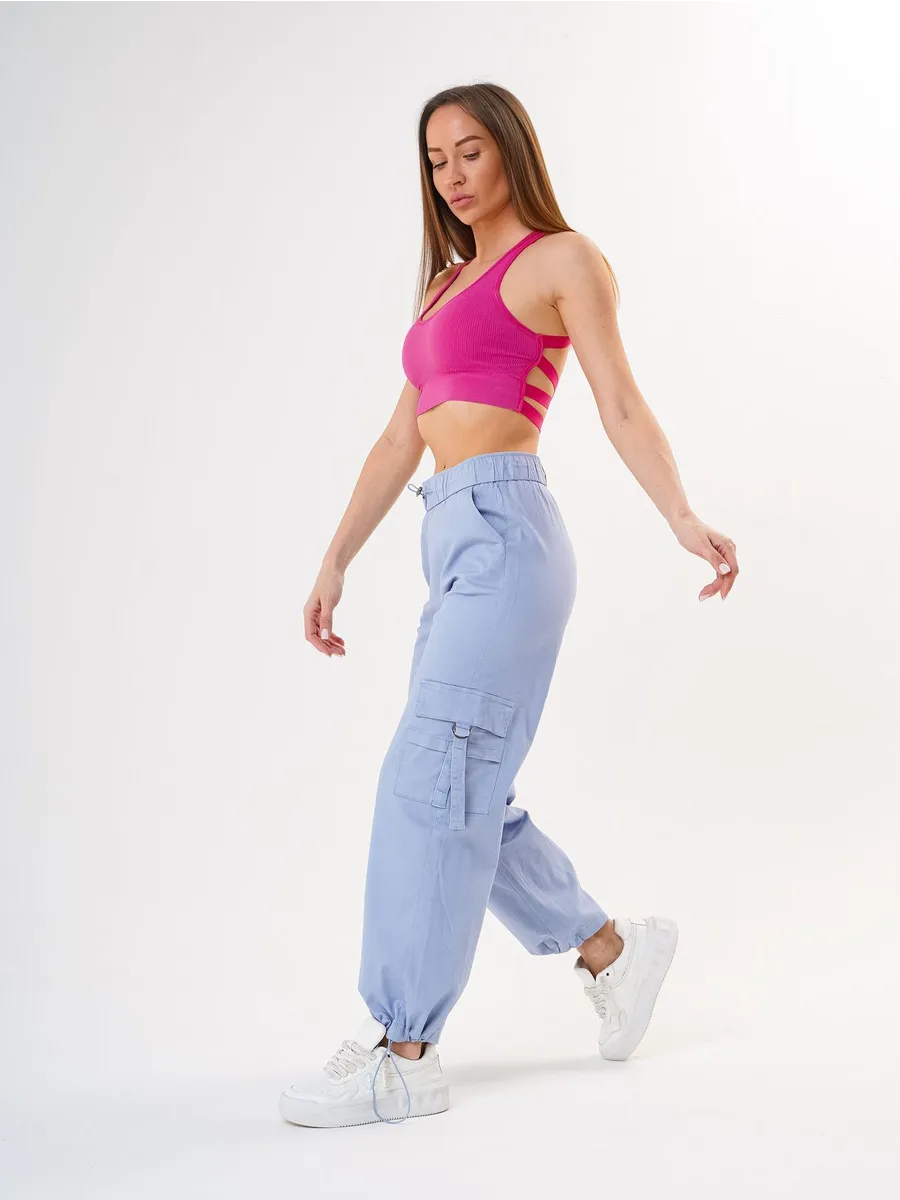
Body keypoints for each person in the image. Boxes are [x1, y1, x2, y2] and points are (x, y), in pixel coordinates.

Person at [279, 83, 739, 1130]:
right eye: (436, 158)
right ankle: (612, 952)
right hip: (447, 538)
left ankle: (404, 1050)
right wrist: (335, 558)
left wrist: (680, 514)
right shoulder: (443, 286)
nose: (452, 173)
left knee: (431, 775)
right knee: (465, 781)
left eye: (471, 150)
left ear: (512, 151)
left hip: (508, 535)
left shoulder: (562, 260)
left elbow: (619, 400)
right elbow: (399, 438)